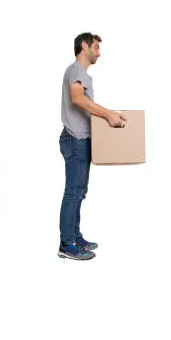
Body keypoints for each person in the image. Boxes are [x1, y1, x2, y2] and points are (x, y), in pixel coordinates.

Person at [58, 33, 126, 260]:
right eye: (96, 47)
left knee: (79, 192)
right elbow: (78, 99)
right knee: (73, 192)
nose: (99, 52)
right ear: (84, 46)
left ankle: (75, 237)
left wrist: (109, 115)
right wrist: (107, 114)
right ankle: (67, 245)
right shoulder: (76, 69)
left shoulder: (81, 73)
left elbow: (86, 104)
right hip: (75, 138)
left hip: (81, 139)